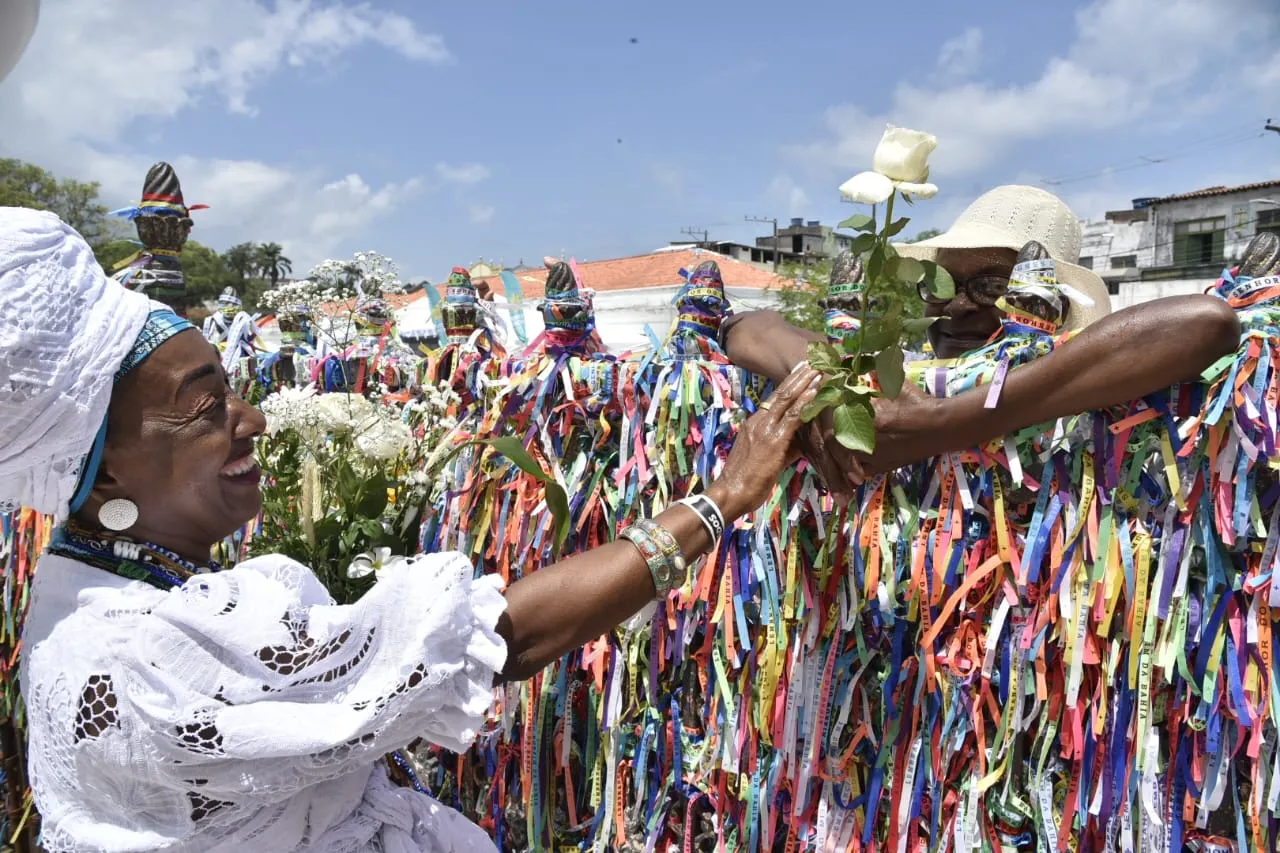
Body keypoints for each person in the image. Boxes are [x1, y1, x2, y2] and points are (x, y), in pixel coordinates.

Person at [0, 207, 822, 853]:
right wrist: (722, 497)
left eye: (235, 388)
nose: (249, 419)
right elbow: (496, 638)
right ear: (101, 468)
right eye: (207, 405)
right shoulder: (142, 653)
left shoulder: (90, 586)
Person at [721, 185, 1242, 496]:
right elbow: (751, 328)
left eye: (993, 287)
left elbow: (1206, 323)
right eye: (941, 285)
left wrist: (937, 423)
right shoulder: (898, 374)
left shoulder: (1091, 376)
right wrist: (829, 384)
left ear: (1049, 302)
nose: (958, 305)